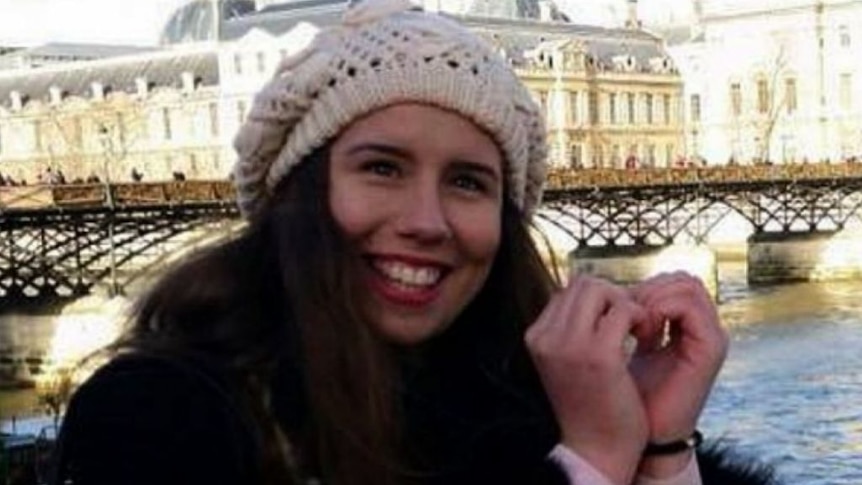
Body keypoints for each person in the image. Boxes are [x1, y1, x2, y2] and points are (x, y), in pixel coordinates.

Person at [50, 1, 778, 485]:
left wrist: (660, 445)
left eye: (468, 181)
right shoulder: (156, 417)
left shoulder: (538, 397)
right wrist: (586, 462)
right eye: (382, 167)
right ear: (300, 193)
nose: (426, 218)